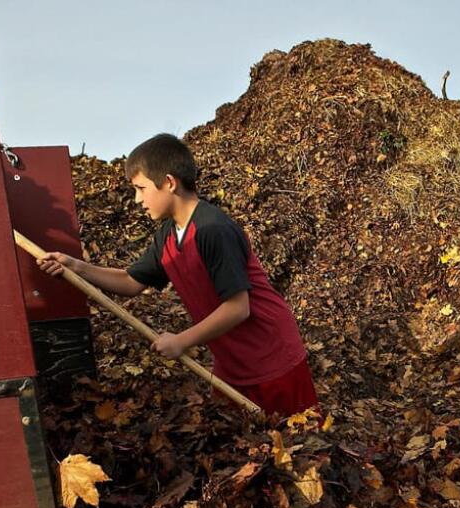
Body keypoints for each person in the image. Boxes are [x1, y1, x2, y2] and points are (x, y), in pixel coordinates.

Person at [37, 134, 317, 417]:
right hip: (231, 364)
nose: (137, 199)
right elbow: (131, 282)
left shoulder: (212, 230)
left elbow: (238, 307)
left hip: (272, 356)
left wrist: (181, 341)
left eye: (141, 188)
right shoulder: (168, 238)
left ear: (169, 183)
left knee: (296, 447)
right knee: (239, 444)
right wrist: (77, 267)